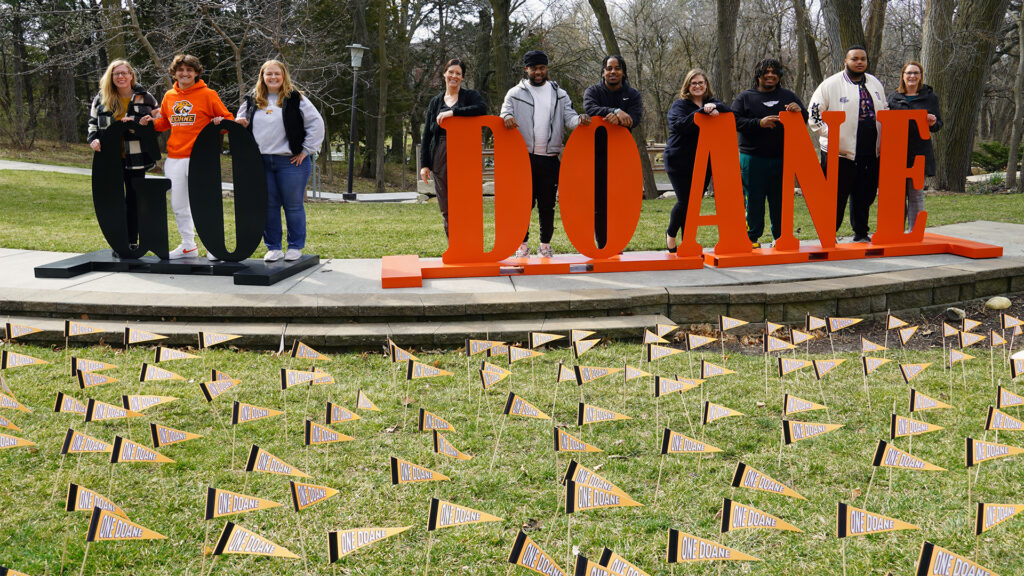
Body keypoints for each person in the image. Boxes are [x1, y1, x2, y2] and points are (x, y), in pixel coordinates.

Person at [140, 54, 233, 260]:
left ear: (196, 73)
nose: (185, 73)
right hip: (175, 157)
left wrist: (220, 123)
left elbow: (228, 120)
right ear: (174, 72)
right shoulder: (169, 96)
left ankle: (212, 245)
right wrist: (151, 122)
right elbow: (165, 122)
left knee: (204, 202)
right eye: (181, 70)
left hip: (201, 158)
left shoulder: (208, 95)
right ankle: (188, 245)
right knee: (179, 204)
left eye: (189, 70)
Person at [500, 50, 590, 259]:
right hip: (523, 158)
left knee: (547, 204)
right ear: (526, 69)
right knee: (523, 204)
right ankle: (522, 246)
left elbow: (569, 117)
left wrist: (579, 120)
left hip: (549, 158)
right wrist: (507, 117)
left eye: (542, 68)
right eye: (534, 68)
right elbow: (504, 112)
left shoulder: (559, 94)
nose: (538, 72)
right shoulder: (515, 93)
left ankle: (545, 245)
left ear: (546, 68)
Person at [236, 60, 325, 262]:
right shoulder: (252, 100)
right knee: (268, 206)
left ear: (283, 76)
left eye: (277, 74)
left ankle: (295, 247)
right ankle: (274, 248)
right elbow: (239, 122)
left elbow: (316, 124)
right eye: (269, 74)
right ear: (262, 77)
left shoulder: (295, 98)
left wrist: (306, 150)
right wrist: (239, 125)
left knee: (293, 206)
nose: (273, 77)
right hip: (260, 162)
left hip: (291, 162)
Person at [808, 45, 887, 243]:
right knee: (836, 196)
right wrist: (833, 134)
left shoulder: (875, 83)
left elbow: (885, 110)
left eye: (863, 59)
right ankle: (829, 235)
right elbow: (814, 116)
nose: (859, 62)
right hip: (840, 152)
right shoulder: (830, 85)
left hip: (869, 150)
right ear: (846, 61)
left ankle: (860, 233)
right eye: (855, 59)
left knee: (864, 194)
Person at [87, 59, 160, 256]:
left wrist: (140, 122)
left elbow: (158, 122)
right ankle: (118, 241)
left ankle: (132, 241)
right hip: (109, 159)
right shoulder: (101, 98)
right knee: (114, 200)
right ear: (111, 77)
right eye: (116, 73)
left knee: (134, 200)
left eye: (124, 73)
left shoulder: (145, 97)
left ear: (131, 75)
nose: (120, 76)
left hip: (136, 157)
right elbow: (93, 122)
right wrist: (93, 139)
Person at [732, 58, 807, 248]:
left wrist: (799, 112)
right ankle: (751, 239)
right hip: (752, 158)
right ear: (758, 74)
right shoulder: (745, 98)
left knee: (780, 201)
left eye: (774, 72)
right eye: (766, 71)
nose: (770, 75)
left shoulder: (788, 96)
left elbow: (805, 119)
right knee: (754, 201)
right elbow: (734, 122)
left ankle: (780, 238)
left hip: (783, 159)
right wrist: (759, 123)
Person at [419, 58, 488, 238]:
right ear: (444, 74)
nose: (454, 76)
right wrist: (424, 165)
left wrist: (454, 113)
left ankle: (468, 244)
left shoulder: (470, 96)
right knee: (446, 204)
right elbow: (427, 134)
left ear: (462, 77)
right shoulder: (435, 102)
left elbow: (482, 109)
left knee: (465, 201)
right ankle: (454, 245)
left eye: (458, 73)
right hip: (440, 151)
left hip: (464, 151)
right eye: (451, 72)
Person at [664, 69, 729, 253]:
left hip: (702, 161)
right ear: (688, 86)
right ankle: (671, 233)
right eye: (694, 83)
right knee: (686, 202)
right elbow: (679, 125)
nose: (698, 86)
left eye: (701, 82)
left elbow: (729, 111)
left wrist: (714, 108)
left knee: (695, 204)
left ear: (706, 85)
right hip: (678, 160)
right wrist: (702, 112)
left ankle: (688, 243)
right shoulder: (679, 105)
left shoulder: (712, 103)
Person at [583, 55, 643, 249]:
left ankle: (617, 244)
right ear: (603, 72)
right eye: (609, 68)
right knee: (599, 204)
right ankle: (602, 246)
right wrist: (615, 111)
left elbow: (635, 118)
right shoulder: (593, 91)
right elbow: (590, 108)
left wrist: (623, 117)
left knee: (621, 202)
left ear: (623, 72)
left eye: (617, 68)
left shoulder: (632, 94)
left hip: (622, 156)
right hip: (597, 155)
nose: (613, 72)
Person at [887, 61, 943, 231]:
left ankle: (914, 232)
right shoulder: (893, 98)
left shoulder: (930, 97)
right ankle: (895, 231)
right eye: (909, 73)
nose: (912, 76)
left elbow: (938, 124)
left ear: (921, 76)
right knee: (896, 196)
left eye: (916, 73)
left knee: (916, 194)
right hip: (896, 153)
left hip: (919, 152)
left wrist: (932, 122)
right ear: (902, 76)